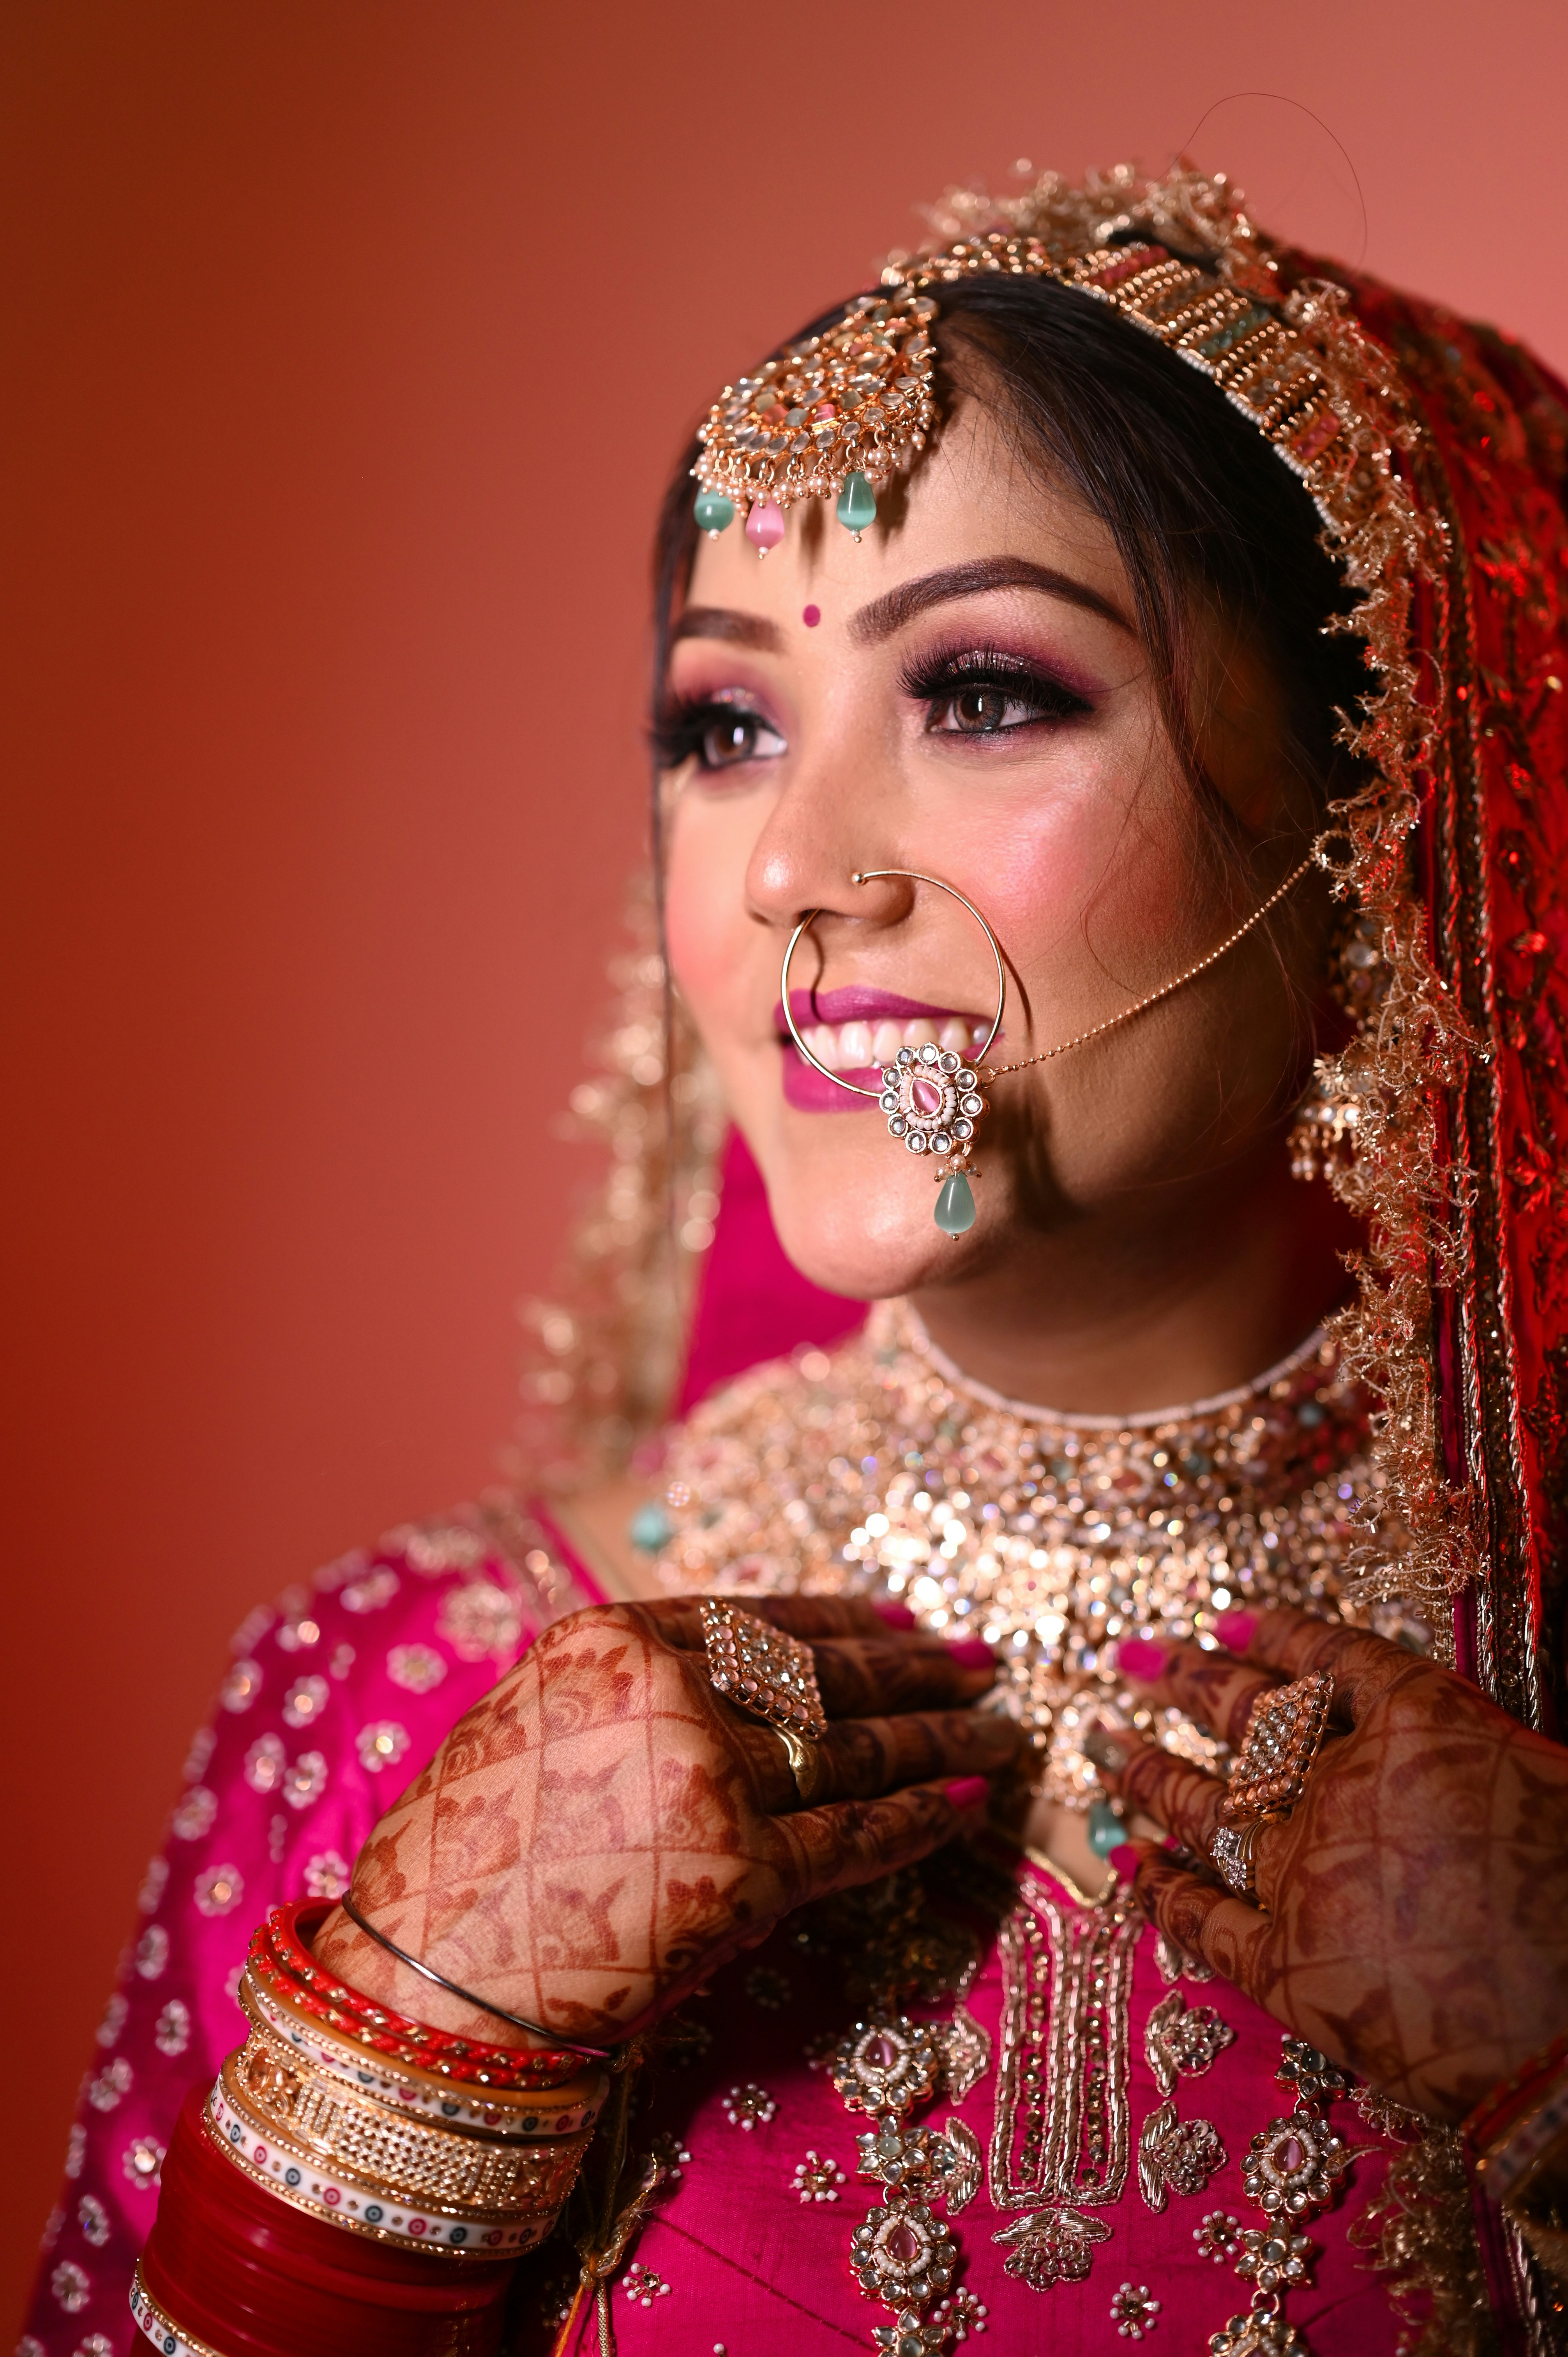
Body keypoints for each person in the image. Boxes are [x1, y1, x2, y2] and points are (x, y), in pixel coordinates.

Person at [21, 160, 1568, 2357]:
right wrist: (402, 2050)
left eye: (985, 692)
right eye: (724, 729)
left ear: (1400, 799)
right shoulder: (401, 1702)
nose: (791, 876)